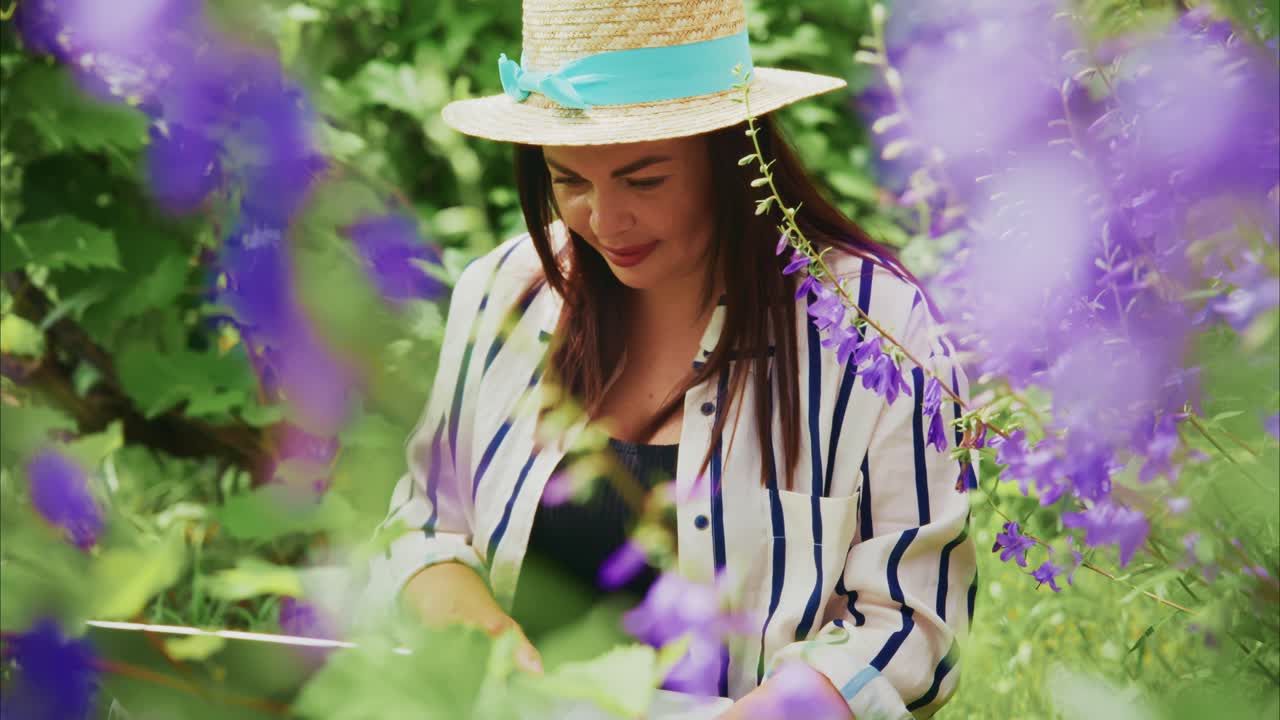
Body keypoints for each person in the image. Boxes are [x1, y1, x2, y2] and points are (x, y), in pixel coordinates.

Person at [365, 1, 977, 718]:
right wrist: (482, 638)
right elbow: (423, 527)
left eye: (643, 179)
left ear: (730, 153)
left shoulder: (876, 327)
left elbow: (913, 625)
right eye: (568, 181)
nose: (605, 219)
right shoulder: (502, 293)